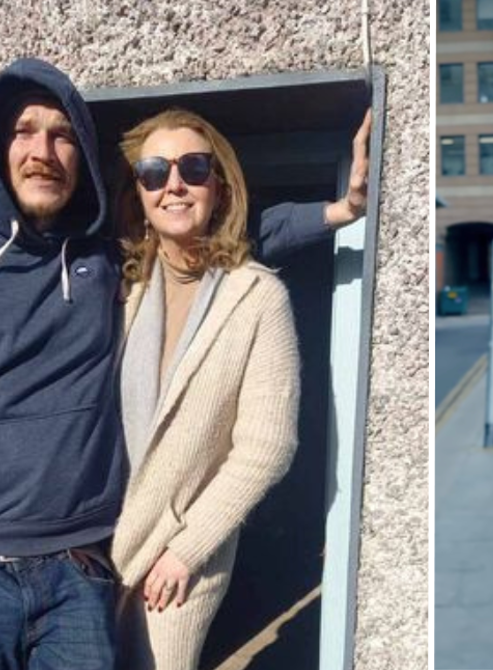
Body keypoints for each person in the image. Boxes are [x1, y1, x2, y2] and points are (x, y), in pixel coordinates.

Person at [0, 58, 368, 669]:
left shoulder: (116, 264)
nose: (43, 150)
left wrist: (338, 212)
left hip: (92, 565)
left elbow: (225, 243)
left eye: (62, 135)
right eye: (24, 131)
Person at [107, 107, 351, 668]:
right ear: (139, 193)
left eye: (194, 167)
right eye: (154, 171)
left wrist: (187, 550)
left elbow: (267, 447)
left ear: (219, 185)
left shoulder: (257, 297)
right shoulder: (123, 293)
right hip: (96, 548)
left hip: (178, 557)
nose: (174, 184)